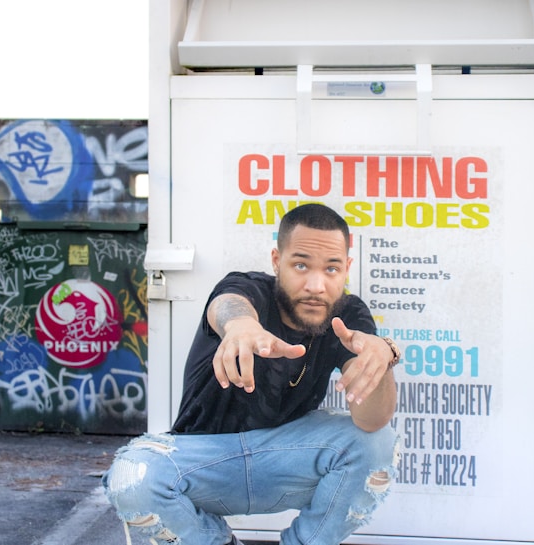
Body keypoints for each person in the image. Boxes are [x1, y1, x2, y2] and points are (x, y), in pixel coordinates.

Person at [103, 203, 400, 545]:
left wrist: (382, 356)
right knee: (131, 475)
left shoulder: (346, 315)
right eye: (300, 265)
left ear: (346, 268)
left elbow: (371, 419)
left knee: (377, 442)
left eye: (331, 269)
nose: (316, 285)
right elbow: (228, 304)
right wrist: (241, 326)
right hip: (206, 460)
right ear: (277, 261)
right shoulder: (248, 289)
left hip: (285, 459)